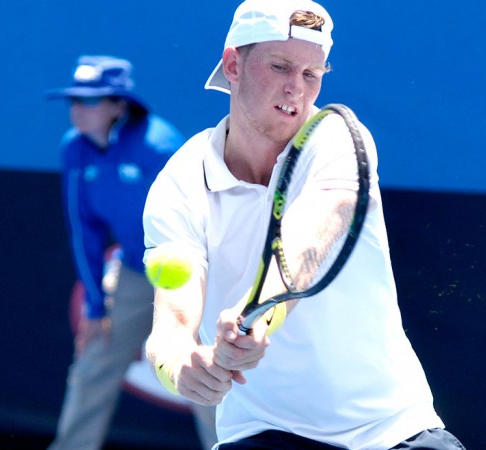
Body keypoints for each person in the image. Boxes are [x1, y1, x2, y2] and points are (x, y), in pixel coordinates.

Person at [142, 1, 467, 449]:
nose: (296, 88)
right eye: (280, 66)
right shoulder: (179, 182)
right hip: (262, 434)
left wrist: (258, 314)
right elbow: (171, 321)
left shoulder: (336, 138)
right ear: (233, 63)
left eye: (312, 74)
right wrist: (181, 366)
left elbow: (309, 240)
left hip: (392, 431)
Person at [45, 55, 216, 450]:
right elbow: (83, 230)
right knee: (92, 363)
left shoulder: (159, 145)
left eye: (90, 101)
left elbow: (199, 222)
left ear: (119, 105)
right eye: (74, 100)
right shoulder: (74, 149)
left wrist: (198, 288)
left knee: (204, 373)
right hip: (135, 274)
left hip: (193, 275)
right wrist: (94, 304)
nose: (77, 110)